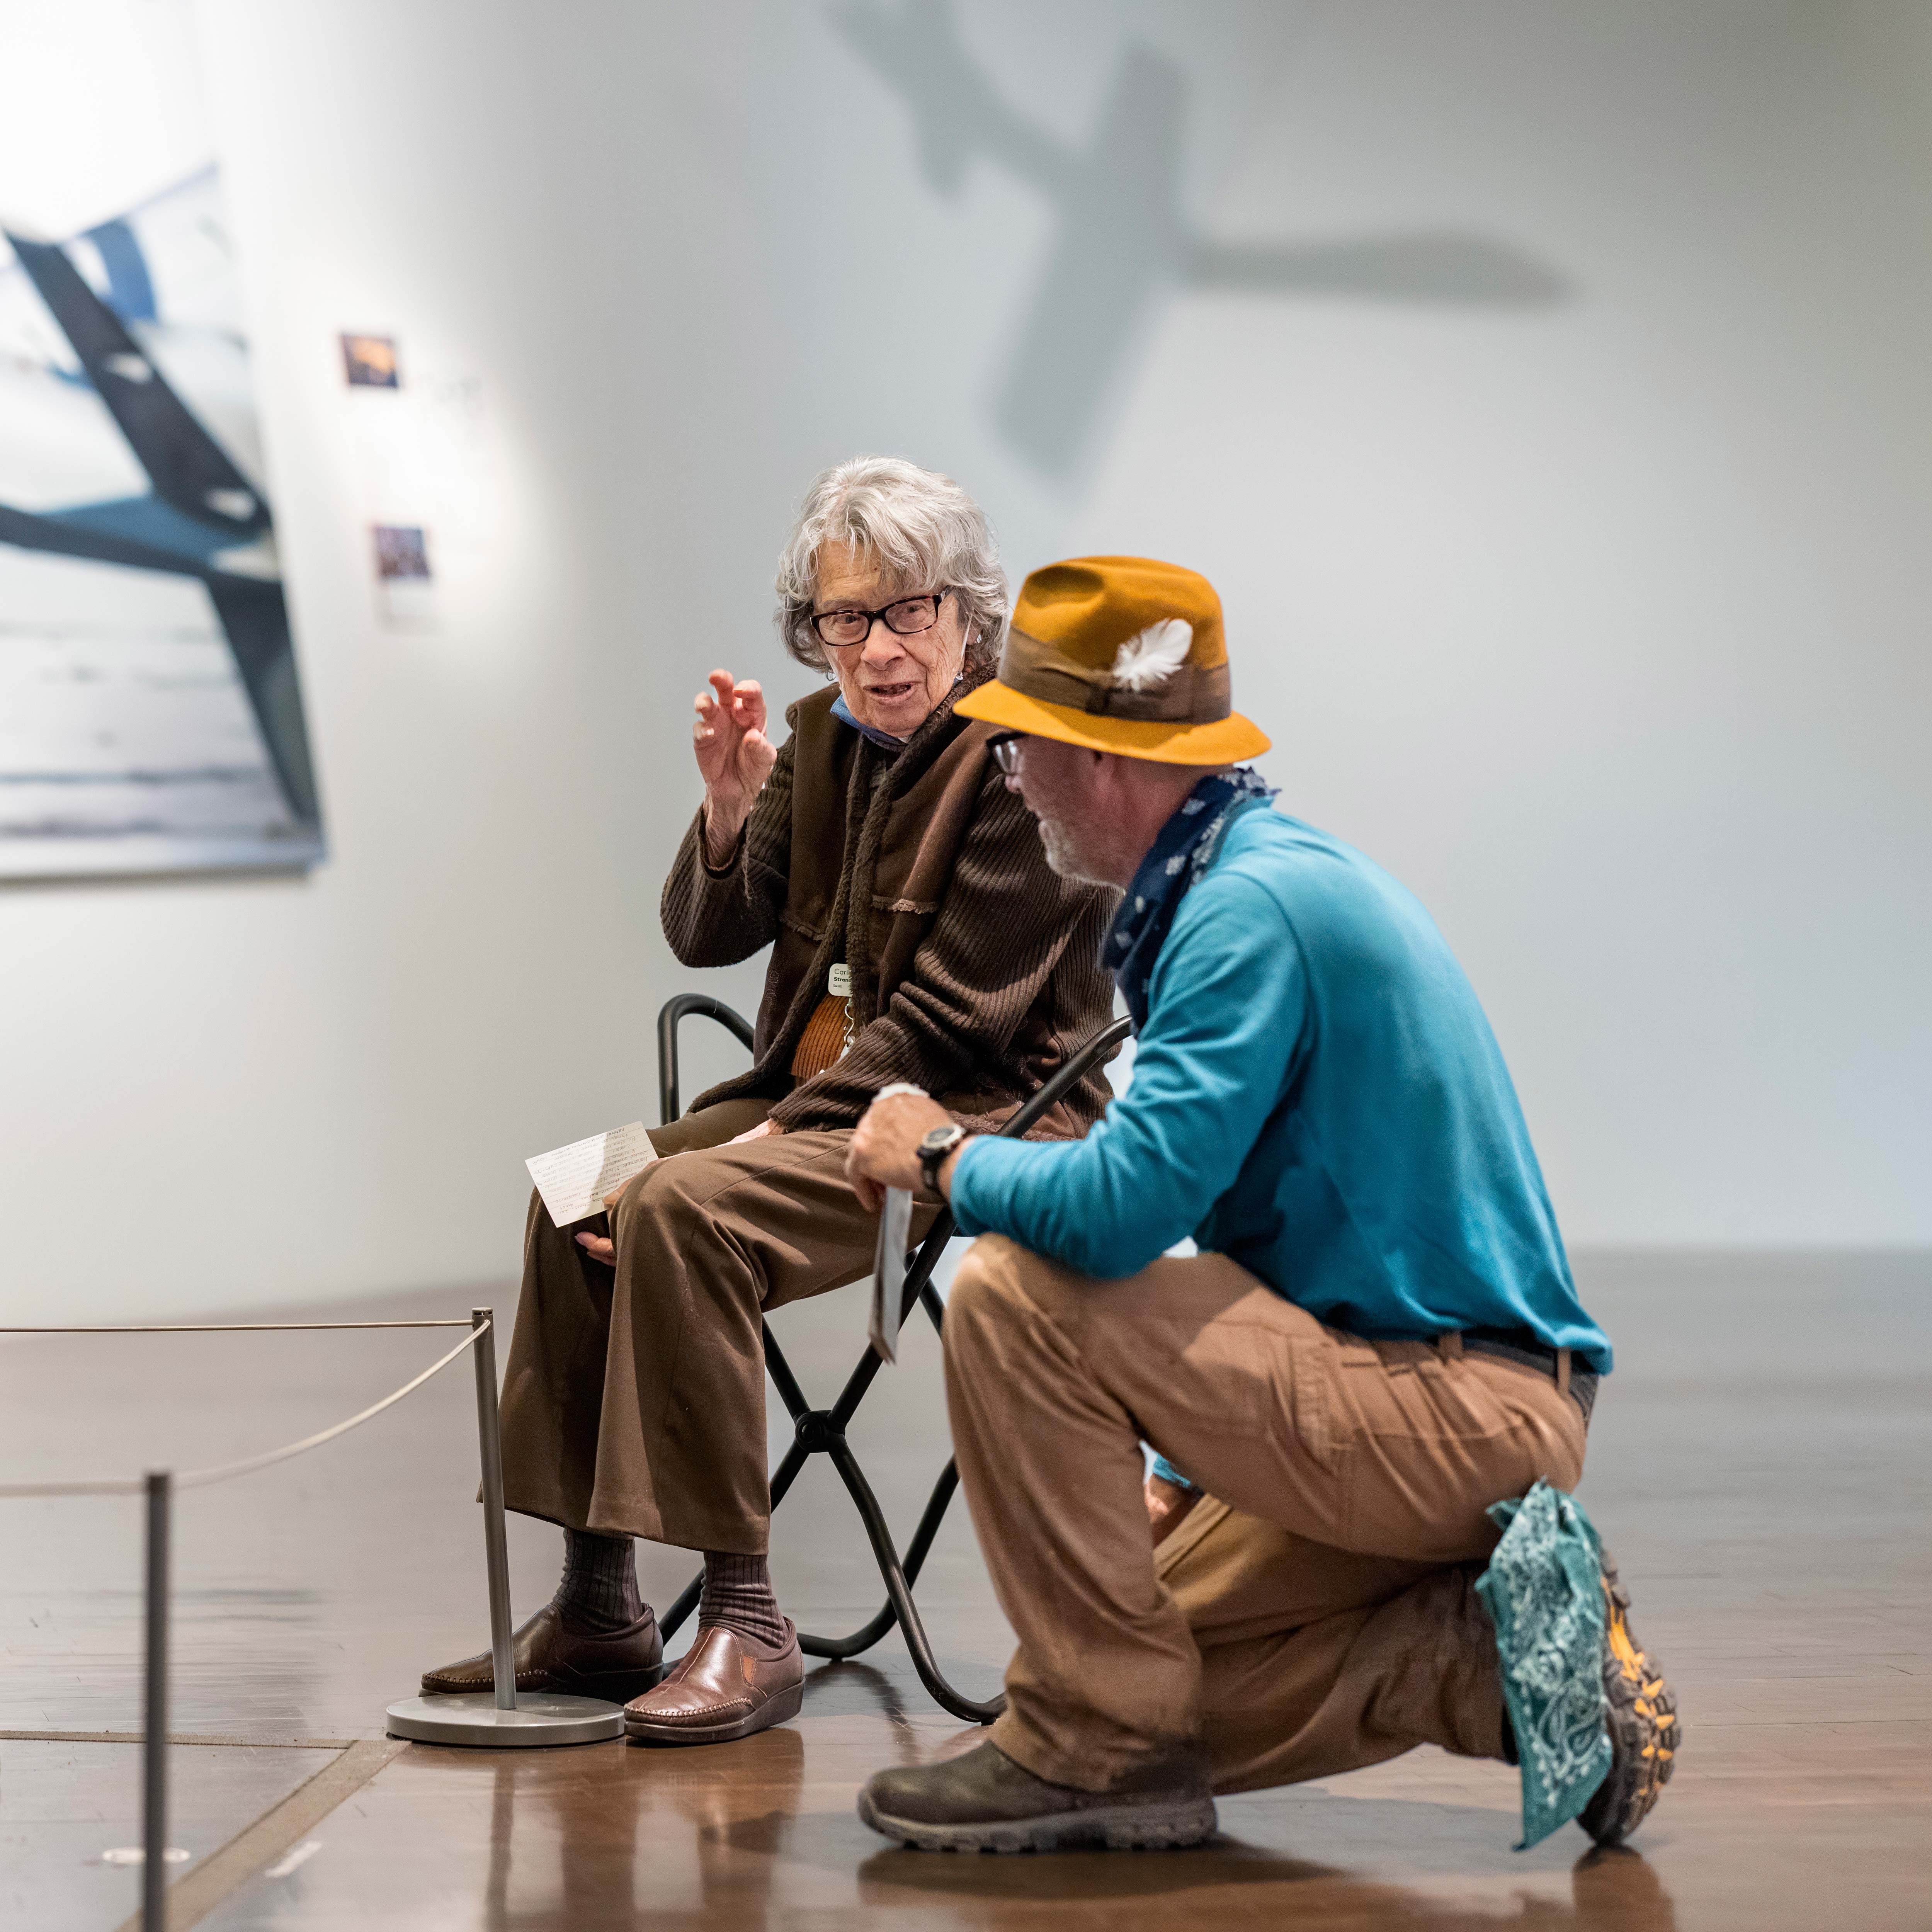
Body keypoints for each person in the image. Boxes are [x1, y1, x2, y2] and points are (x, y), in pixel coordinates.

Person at [845, 556, 1680, 1851]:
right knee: (1146, 1669)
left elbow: (1126, 1217)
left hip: (1454, 1407)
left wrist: (944, 1156)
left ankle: (1090, 1747)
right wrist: (1179, 1479)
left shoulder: (1245, 918)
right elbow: (1256, 1247)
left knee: (1012, 1287)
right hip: (1425, 1389)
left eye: (1020, 750)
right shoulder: (1242, 882)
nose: (1011, 779)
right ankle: (1494, 1666)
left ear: (1101, 757)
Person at [422, 461, 1118, 1745]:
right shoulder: (819, 738)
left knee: (682, 1204)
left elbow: (952, 1023)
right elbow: (705, 937)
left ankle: (747, 1622)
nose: (878, 649)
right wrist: (728, 812)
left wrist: (773, 1131)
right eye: (847, 619)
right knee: (568, 1185)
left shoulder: (1027, 761)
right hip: (810, 1100)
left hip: (973, 1118)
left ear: (967, 612)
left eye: (908, 610)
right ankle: (599, 1607)